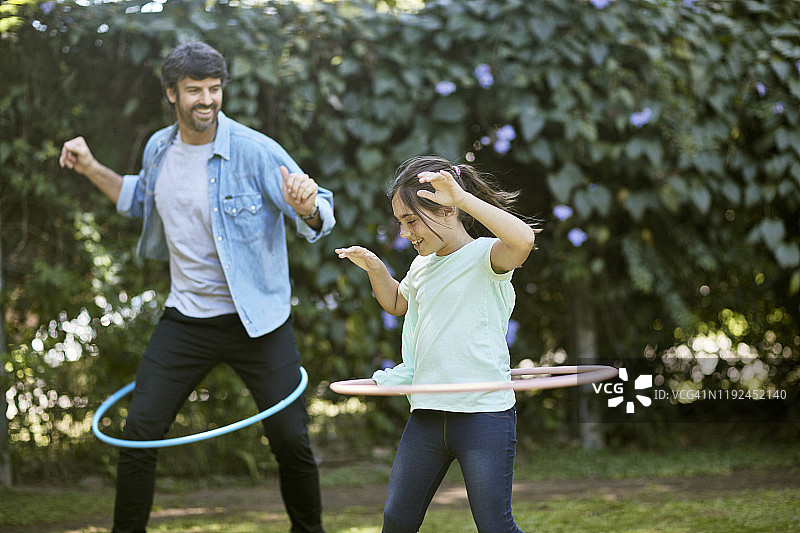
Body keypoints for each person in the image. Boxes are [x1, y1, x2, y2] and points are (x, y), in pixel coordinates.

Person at [59, 41, 333, 533]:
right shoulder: (159, 149)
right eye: (194, 90)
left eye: (214, 88)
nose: (206, 99)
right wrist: (88, 166)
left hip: (258, 322)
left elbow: (319, 211)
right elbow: (139, 199)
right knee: (139, 434)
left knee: (291, 440)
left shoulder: (254, 151)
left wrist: (308, 206)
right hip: (187, 319)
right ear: (171, 93)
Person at [336, 155, 535, 533]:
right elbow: (397, 303)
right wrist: (376, 269)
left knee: (495, 526)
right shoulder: (421, 266)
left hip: (482, 414)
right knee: (397, 520)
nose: (404, 233)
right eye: (400, 223)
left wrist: (462, 197)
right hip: (427, 414)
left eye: (410, 221)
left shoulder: (485, 257)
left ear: (447, 210)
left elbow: (523, 240)